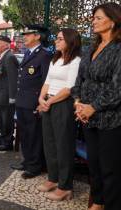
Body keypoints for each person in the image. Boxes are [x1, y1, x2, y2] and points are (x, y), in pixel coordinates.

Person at [71, 3, 121, 210]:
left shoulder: (118, 49)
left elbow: (118, 87)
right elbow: (79, 80)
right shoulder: (90, 48)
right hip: (87, 117)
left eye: (98, 18)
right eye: (94, 18)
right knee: (94, 166)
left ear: (113, 21)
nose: (94, 21)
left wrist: (93, 107)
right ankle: (97, 203)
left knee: (110, 169)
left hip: (110, 119)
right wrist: (77, 103)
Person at [37, 28, 81, 201]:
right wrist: (41, 98)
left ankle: (65, 186)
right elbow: (48, 81)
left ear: (70, 41)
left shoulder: (76, 61)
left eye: (60, 38)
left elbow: (69, 88)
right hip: (49, 102)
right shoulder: (55, 59)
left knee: (63, 145)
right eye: (56, 38)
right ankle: (53, 178)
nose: (56, 41)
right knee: (49, 143)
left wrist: (50, 101)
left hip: (63, 105)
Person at [10, 24, 52, 179]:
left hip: (34, 102)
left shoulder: (44, 55)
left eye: (28, 34)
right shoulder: (28, 53)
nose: (25, 36)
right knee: (25, 134)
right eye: (24, 34)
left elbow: (45, 81)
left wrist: (40, 103)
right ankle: (27, 161)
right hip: (22, 101)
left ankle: (35, 166)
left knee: (34, 135)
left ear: (37, 36)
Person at [0, 35, 19, 151]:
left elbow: (13, 78)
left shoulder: (9, 57)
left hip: (6, 96)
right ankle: (2, 138)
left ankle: (7, 142)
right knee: (0, 120)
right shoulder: (1, 56)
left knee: (7, 121)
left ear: (6, 45)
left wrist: (12, 97)